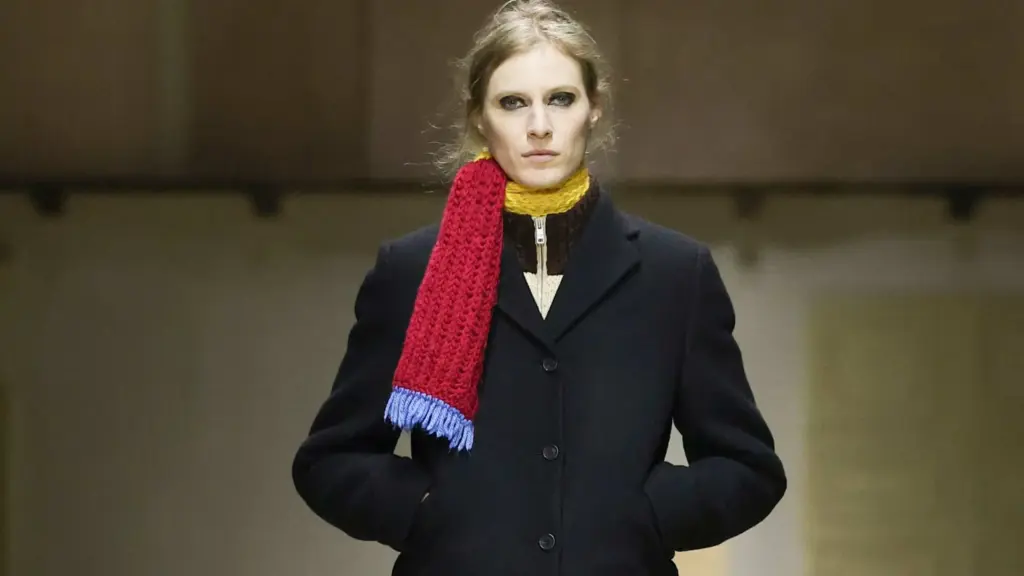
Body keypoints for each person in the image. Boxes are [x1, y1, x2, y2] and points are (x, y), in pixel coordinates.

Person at [291, 1, 786, 574]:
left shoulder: (675, 273)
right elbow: (331, 459)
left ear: (594, 108)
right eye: (512, 102)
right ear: (479, 116)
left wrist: (645, 515)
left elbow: (747, 467)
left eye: (561, 98)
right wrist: (430, 512)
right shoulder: (412, 270)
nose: (539, 126)